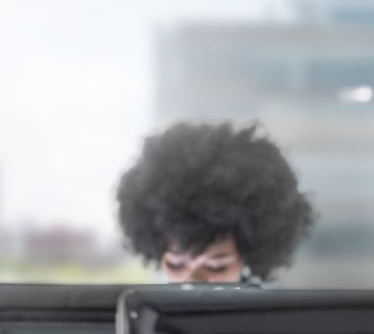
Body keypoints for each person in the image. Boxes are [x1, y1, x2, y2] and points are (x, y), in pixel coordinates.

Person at [116, 121, 315, 284]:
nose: (193, 281)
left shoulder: (273, 326)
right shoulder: (141, 325)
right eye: (176, 264)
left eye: (216, 266)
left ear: (246, 259)